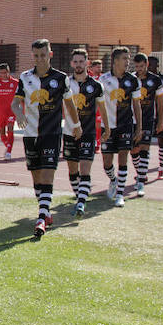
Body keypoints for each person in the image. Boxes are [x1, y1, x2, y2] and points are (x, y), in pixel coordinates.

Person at [11, 39, 81, 238]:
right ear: (32, 56)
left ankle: (41, 218)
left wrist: (76, 125)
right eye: (36, 55)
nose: (39, 59)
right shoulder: (25, 77)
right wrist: (19, 114)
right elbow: (16, 103)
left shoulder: (60, 78)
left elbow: (70, 105)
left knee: (47, 173)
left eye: (43, 55)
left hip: (52, 134)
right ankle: (45, 210)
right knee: (36, 177)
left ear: (50, 54)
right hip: (31, 135)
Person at [63, 49, 108, 216]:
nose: (78, 65)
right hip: (69, 132)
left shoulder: (96, 86)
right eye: (76, 62)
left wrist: (107, 128)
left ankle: (81, 203)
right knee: (73, 171)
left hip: (88, 133)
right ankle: (79, 195)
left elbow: (103, 108)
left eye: (82, 61)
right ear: (71, 63)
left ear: (87, 63)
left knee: (85, 169)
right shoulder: (65, 83)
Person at [98, 47, 142, 207]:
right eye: (125, 58)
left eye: (128, 58)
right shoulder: (103, 80)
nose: (127, 61)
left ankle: (120, 195)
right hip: (107, 127)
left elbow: (137, 105)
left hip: (126, 125)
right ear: (115, 60)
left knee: (123, 159)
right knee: (107, 163)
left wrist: (139, 128)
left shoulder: (133, 80)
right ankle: (113, 180)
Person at [131, 53, 163, 196]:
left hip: (148, 119)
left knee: (144, 147)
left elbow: (160, 102)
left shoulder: (155, 80)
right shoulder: (131, 79)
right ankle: (141, 173)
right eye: (137, 67)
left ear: (147, 64)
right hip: (132, 120)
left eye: (142, 66)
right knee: (134, 150)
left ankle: (140, 182)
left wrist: (160, 121)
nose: (139, 69)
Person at [0, 63, 19, 160]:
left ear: (9, 72)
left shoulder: (15, 83)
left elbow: (21, 97)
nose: (3, 75)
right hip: (0, 112)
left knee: (10, 128)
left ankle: (9, 152)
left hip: (11, 111)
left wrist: (21, 110)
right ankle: (8, 145)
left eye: (5, 73)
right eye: (1, 73)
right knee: (2, 133)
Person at [89, 59, 104, 148]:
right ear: (92, 68)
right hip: (89, 105)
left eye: (100, 67)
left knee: (98, 124)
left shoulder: (102, 78)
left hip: (99, 105)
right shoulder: (88, 77)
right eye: (97, 67)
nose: (99, 69)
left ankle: (97, 143)